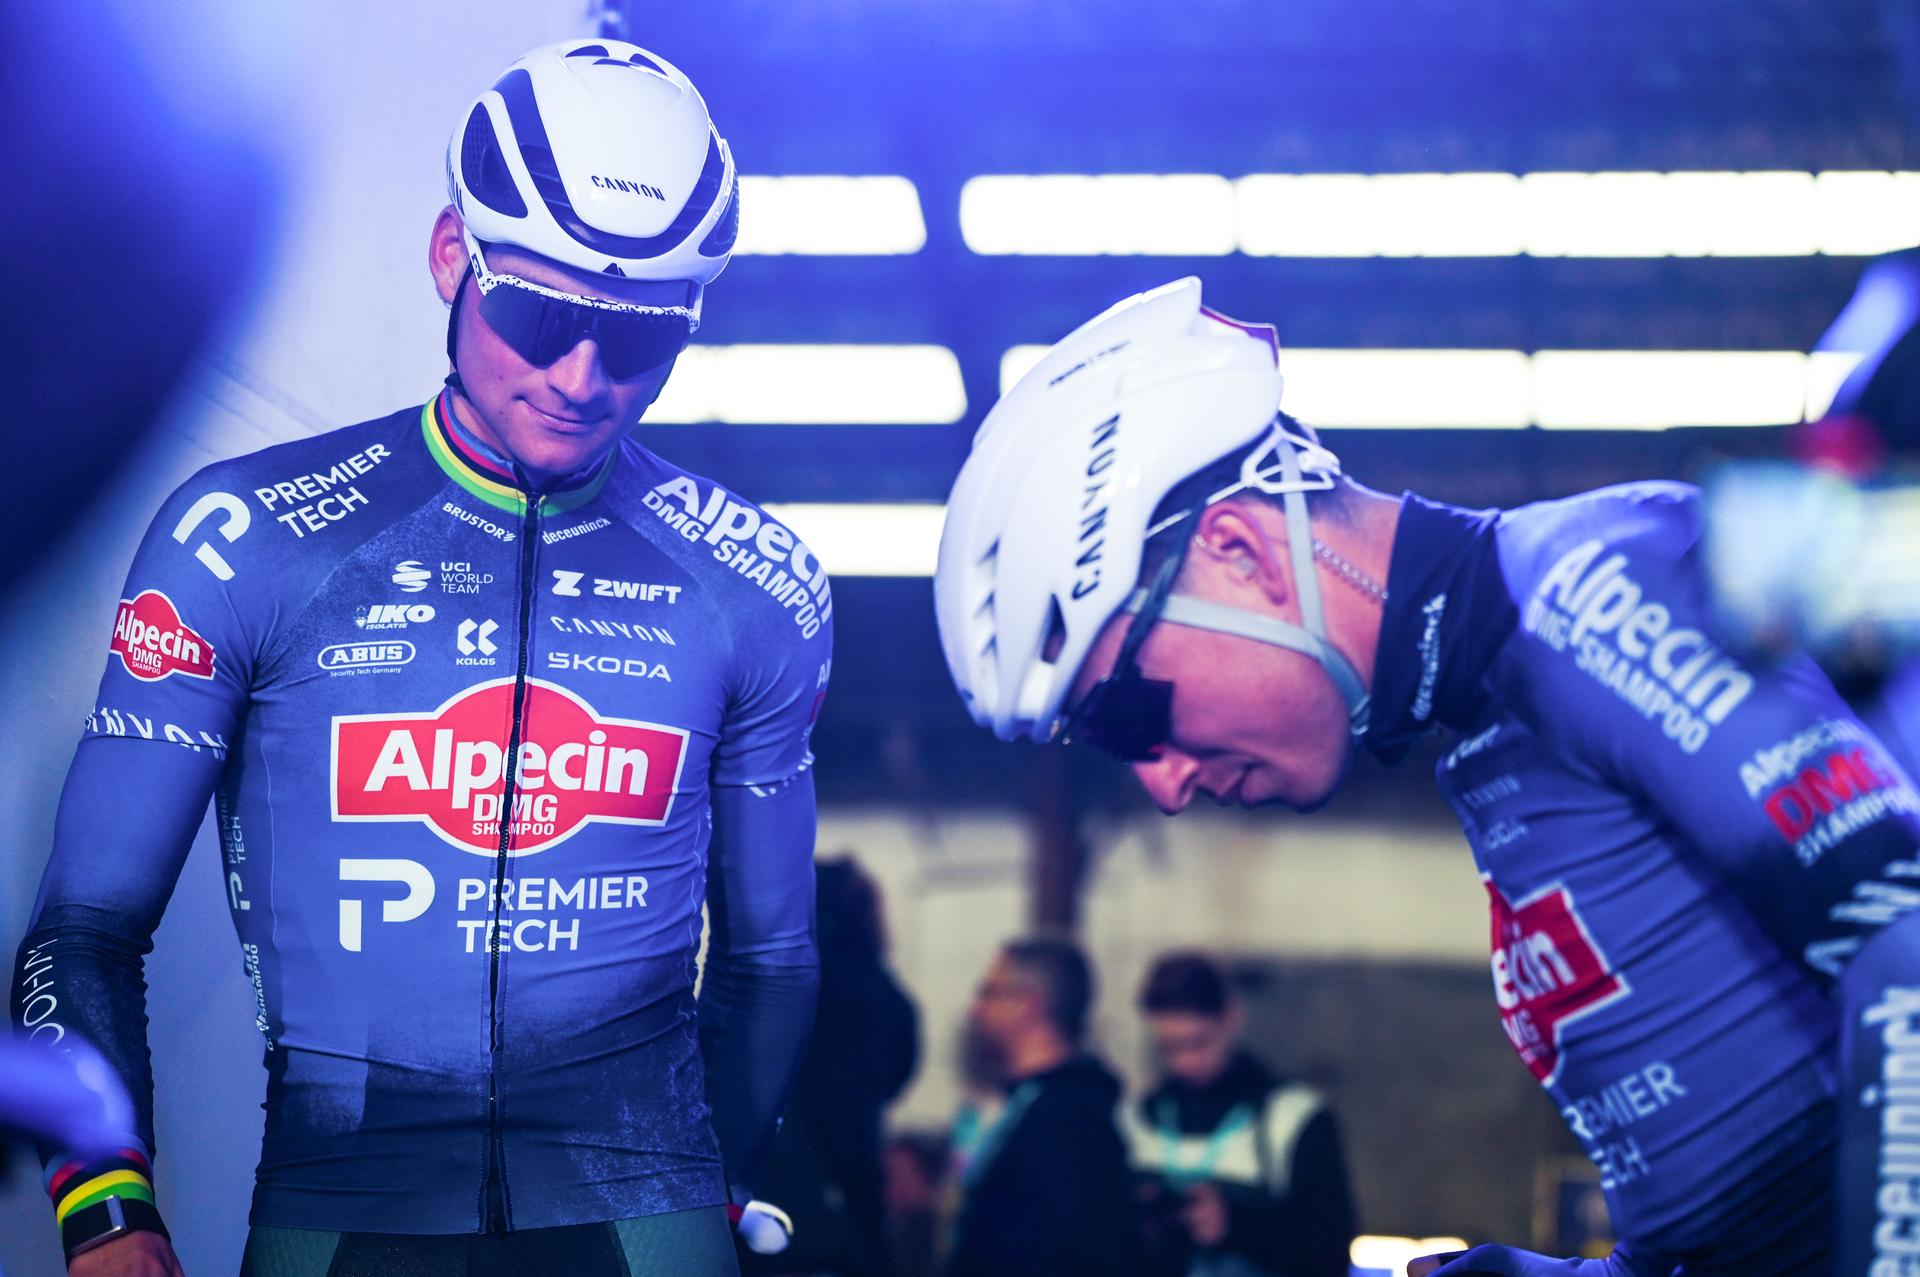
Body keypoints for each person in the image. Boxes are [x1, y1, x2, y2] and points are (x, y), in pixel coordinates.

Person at [9, 38, 831, 1277]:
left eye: (642, 340)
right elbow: (82, 923)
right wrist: (106, 1210)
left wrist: (718, 1189)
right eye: (542, 312)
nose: (580, 375)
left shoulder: (755, 580)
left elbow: (773, 957)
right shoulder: (246, 540)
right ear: (455, 255)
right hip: (341, 1207)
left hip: (645, 1216)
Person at [932, 276, 1920, 1275]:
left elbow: (1904, 935)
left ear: (1241, 553)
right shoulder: (1490, 711)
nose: (1163, 783)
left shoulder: (1585, 593)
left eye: (1132, 713)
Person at [1124, 952, 1355, 1277]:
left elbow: (1330, 1254)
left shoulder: (1294, 1120)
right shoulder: (1135, 1120)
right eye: (1170, 1046)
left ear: (1231, 1018)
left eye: (1199, 1042)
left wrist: (1236, 1226)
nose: (1185, 1062)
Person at [745, 857, 919, 1277]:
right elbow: (898, 1073)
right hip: (848, 1207)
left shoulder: (767, 991)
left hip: (770, 1209)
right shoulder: (884, 1001)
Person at [944, 939, 1145, 1277]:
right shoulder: (1029, 1105)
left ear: (1028, 1005)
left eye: (988, 992)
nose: (974, 1010)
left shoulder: (1070, 1123)